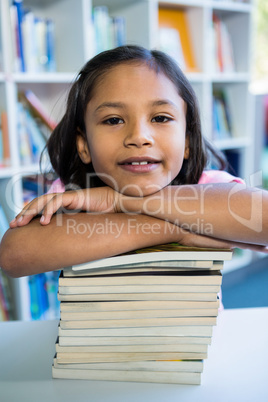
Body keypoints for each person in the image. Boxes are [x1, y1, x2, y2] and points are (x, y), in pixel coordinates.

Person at [0, 45, 267, 278]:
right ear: (84, 147)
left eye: (161, 118)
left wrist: (119, 202)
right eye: (113, 120)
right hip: (99, 337)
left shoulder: (208, 185)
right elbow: (13, 255)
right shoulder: (73, 195)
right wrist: (178, 232)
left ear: (187, 141)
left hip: (192, 336)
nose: (139, 137)